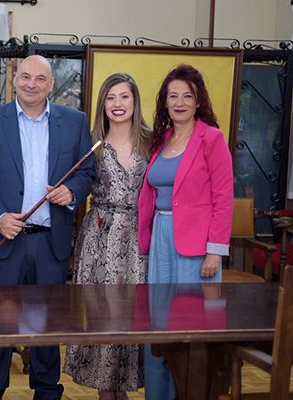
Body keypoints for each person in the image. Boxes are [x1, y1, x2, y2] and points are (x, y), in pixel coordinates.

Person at [0, 54, 95, 400]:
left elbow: (87, 172)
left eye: (40, 79)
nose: (32, 84)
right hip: (5, 239)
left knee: (45, 330)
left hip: (49, 244)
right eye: (25, 76)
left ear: (51, 84)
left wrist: (72, 192)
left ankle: (47, 392)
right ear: (14, 78)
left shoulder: (74, 121)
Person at [136, 64, 233, 399]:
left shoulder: (212, 138)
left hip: (197, 248)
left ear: (197, 101)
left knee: (191, 326)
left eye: (186, 96)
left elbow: (223, 198)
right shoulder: (161, 139)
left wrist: (214, 251)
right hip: (161, 239)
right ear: (165, 102)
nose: (179, 102)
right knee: (157, 324)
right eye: (172, 96)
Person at [62, 73, 152, 400]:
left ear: (134, 101)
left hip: (139, 241)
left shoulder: (152, 141)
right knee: (102, 315)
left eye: (124, 97)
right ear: (102, 103)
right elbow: (74, 186)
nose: (117, 104)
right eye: (110, 98)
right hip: (100, 238)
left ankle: (123, 390)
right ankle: (105, 392)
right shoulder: (90, 144)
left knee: (133, 315)